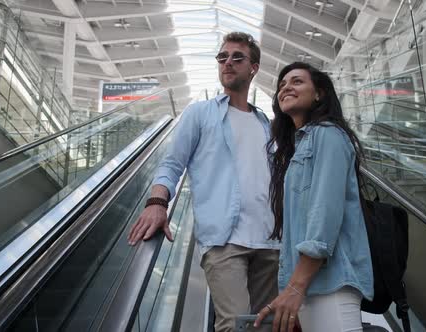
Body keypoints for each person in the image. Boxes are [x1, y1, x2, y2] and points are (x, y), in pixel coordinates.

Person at [127, 32, 280, 332]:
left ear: (254, 67)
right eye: (223, 57)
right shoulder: (201, 113)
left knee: (266, 326)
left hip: (270, 240)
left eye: (238, 57)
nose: (228, 63)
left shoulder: (266, 124)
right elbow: (172, 163)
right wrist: (158, 203)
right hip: (224, 239)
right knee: (235, 324)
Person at [254, 62, 374, 332]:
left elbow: (324, 214)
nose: (286, 88)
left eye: (297, 81)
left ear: (319, 93)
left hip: (329, 282)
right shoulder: (298, 148)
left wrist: (295, 287)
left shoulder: (328, 135)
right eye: (282, 85)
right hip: (309, 285)